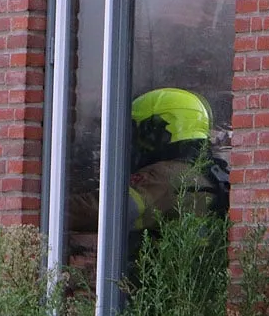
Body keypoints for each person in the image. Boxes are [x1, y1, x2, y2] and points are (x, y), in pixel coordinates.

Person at [67, 87, 230, 237]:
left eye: (138, 133)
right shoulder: (211, 175)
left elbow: (110, 210)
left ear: (157, 132)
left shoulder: (164, 176)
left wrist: (50, 208)